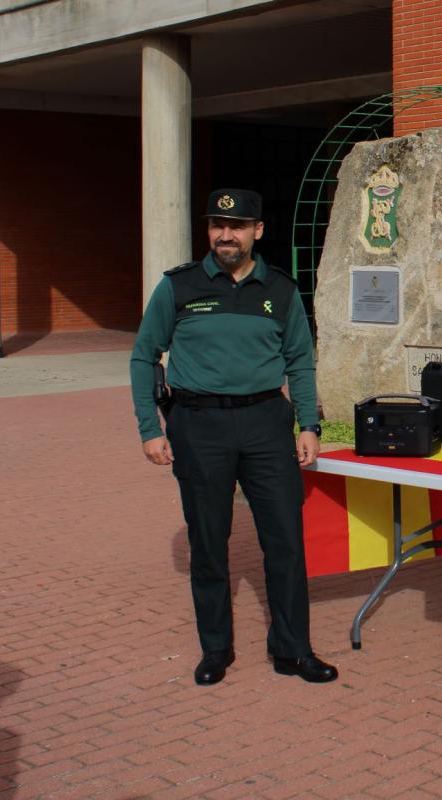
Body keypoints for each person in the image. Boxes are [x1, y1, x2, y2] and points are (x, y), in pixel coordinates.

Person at [130, 188, 338, 686]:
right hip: (197, 425)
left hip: (267, 423)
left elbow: (300, 362)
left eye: (238, 226)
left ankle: (293, 650)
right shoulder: (177, 287)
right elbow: (144, 355)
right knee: (207, 542)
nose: (226, 235)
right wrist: (149, 429)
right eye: (218, 226)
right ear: (209, 231)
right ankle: (215, 649)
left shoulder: (282, 291)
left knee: (285, 541)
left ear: (257, 231)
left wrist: (307, 424)